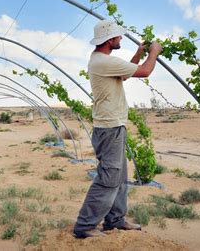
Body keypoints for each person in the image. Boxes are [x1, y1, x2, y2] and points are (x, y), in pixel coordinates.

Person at [73, 19, 162, 239]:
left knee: (120, 177)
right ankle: (85, 226)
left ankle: (115, 220)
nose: (121, 38)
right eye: (118, 36)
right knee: (109, 178)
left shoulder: (103, 61)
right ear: (109, 39)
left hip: (113, 127)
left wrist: (140, 52)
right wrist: (154, 53)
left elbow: (125, 73)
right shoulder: (103, 62)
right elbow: (144, 72)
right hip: (110, 128)